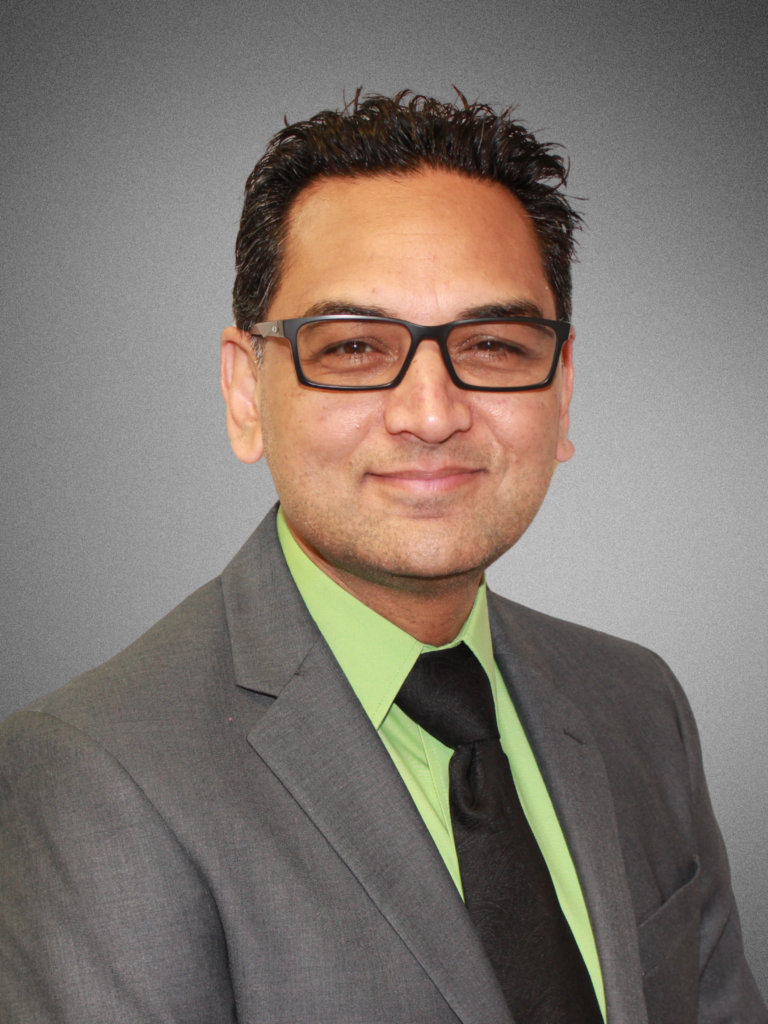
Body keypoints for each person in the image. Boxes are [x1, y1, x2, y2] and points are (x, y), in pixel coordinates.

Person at [0, 91, 764, 1024]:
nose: (432, 413)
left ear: (562, 392)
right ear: (247, 393)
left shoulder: (638, 704)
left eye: (492, 344)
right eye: (356, 347)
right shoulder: (91, 777)